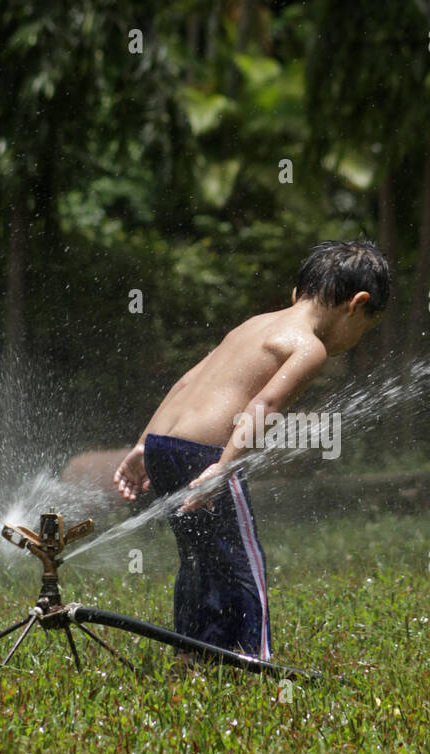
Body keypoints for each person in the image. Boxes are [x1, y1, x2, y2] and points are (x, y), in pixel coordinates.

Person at [113, 238, 390, 661]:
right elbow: (264, 405)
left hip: (164, 446)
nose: (356, 341)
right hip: (206, 455)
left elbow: (185, 382)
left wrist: (141, 445)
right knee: (242, 561)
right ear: (357, 304)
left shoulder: (252, 324)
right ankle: (252, 662)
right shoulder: (308, 346)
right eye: (365, 329)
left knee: (200, 558)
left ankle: (194, 654)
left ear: (297, 293)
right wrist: (223, 468)